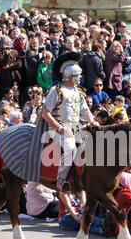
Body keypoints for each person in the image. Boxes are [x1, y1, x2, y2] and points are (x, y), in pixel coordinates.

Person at [41, 53, 99, 193]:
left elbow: (85, 110)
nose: (80, 77)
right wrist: (60, 128)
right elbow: (45, 113)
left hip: (76, 128)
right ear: (70, 76)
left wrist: (92, 121)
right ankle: (61, 181)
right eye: (78, 75)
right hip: (58, 130)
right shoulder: (57, 90)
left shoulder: (78, 92)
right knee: (70, 148)